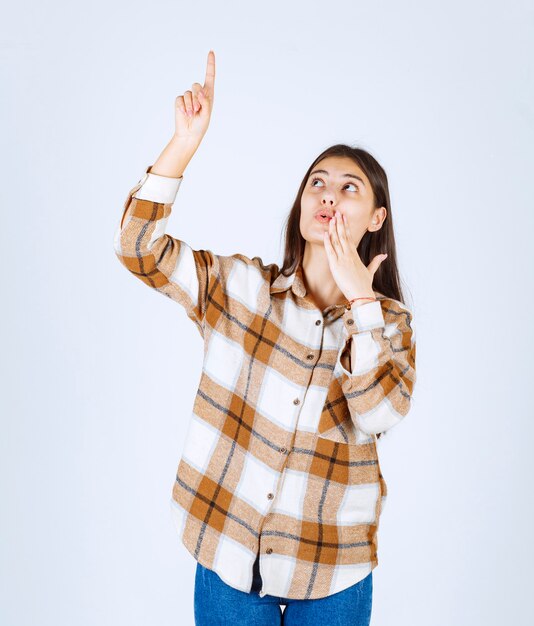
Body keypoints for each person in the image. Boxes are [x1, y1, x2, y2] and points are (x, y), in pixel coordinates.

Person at [114, 50, 417, 626]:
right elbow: (137, 250)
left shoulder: (391, 326)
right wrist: (183, 146)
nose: (328, 194)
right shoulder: (241, 288)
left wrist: (361, 306)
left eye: (350, 187)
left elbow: (377, 415)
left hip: (333, 576)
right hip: (227, 559)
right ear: (302, 204)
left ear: (377, 218)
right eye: (317, 183)